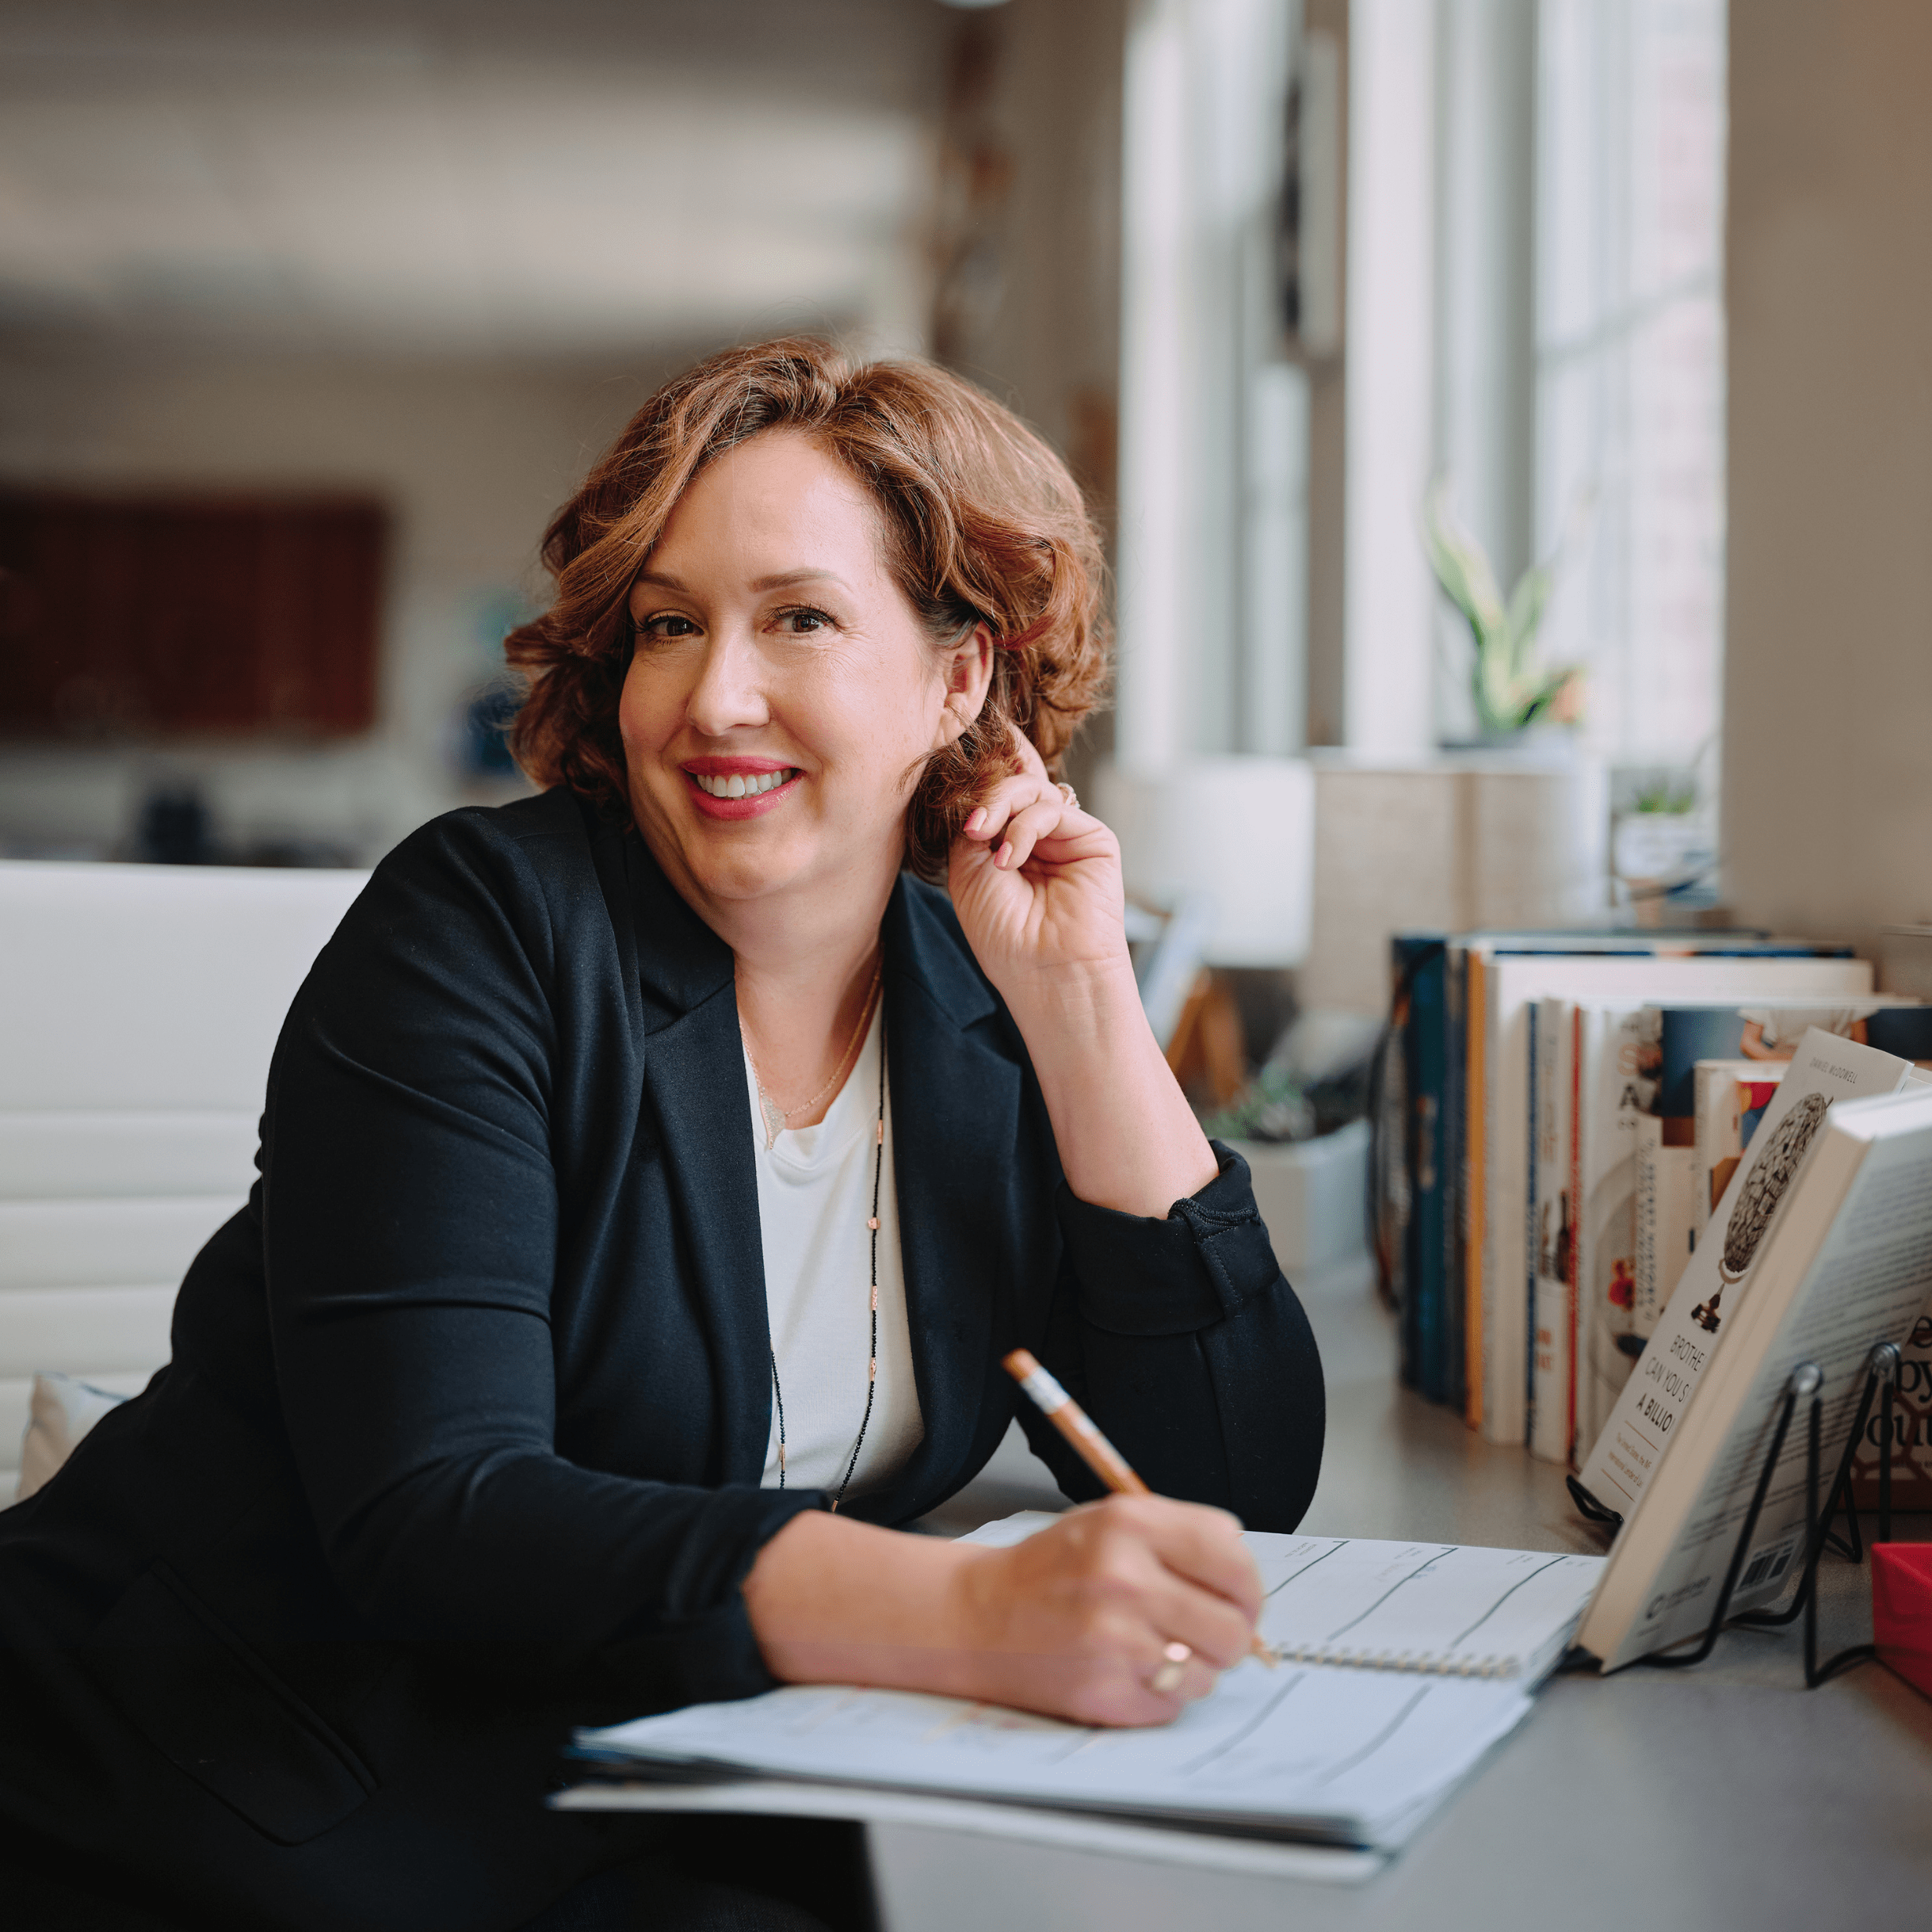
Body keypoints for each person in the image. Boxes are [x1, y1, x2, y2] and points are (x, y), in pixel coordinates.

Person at [0, 339, 1325, 1932]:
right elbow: (441, 1508)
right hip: (221, 1787)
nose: (712, 696)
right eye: (669, 625)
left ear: (960, 677)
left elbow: (1233, 1482)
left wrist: (1087, 1005)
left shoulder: (982, 1015)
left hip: (649, 1774)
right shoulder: (480, 931)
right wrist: (965, 1602)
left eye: (798, 619)